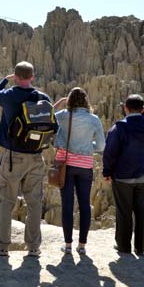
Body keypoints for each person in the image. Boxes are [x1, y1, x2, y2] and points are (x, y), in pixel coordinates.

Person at [0, 61, 57, 257]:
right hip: (36, 157)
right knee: (34, 203)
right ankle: (33, 248)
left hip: (13, 157)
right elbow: (54, 126)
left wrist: (4, 81)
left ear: (16, 77)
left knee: (6, 201)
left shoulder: (9, 95)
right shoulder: (43, 97)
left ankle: (1, 247)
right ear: (32, 77)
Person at [102, 94, 144, 256]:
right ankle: (140, 248)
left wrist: (107, 171)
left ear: (125, 108)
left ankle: (124, 247)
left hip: (123, 177)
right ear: (142, 109)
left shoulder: (119, 127)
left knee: (124, 212)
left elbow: (110, 152)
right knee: (142, 211)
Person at [53, 87, 105, 255]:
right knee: (84, 205)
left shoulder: (63, 116)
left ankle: (67, 245)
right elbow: (102, 146)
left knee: (67, 205)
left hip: (65, 165)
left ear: (69, 101)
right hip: (85, 166)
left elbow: (46, 117)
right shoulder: (94, 119)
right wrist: (88, 148)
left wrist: (58, 104)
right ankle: (82, 246)